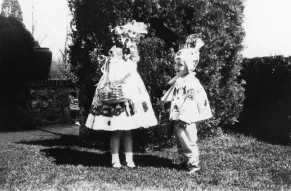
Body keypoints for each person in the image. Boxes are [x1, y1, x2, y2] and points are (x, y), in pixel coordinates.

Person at [85, 20, 157, 168]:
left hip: (129, 95)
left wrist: (130, 55)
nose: (122, 42)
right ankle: (115, 159)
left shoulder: (130, 56)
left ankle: (130, 160)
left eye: (125, 39)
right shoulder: (114, 56)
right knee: (117, 131)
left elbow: (133, 70)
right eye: (120, 38)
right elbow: (110, 75)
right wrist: (118, 79)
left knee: (128, 131)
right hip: (116, 95)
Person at [160, 34, 212, 174]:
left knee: (189, 140)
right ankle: (185, 162)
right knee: (180, 140)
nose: (176, 67)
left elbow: (190, 100)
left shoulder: (191, 82)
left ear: (189, 65)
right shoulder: (181, 79)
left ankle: (194, 166)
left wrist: (185, 117)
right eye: (175, 63)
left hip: (186, 118)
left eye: (180, 64)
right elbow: (173, 90)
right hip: (178, 115)